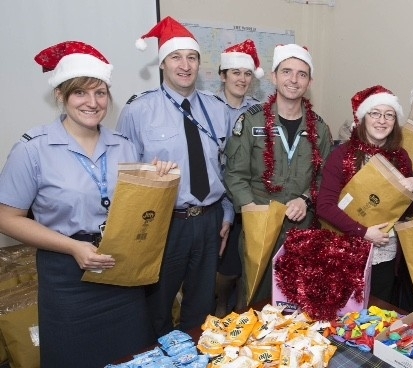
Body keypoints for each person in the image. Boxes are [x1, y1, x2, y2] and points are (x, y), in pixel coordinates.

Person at [0, 41, 175, 367]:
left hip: (121, 269)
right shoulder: (33, 149)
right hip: (67, 276)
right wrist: (72, 248)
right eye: (81, 93)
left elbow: (136, 211)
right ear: (61, 96)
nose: (92, 103)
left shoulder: (123, 146)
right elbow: (7, 218)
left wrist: (158, 181)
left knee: (133, 357)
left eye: (100, 93)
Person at [117, 16, 232, 336]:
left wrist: (226, 213)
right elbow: (123, 173)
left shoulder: (217, 109)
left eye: (192, 57)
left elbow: (224, 169)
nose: (185, 65)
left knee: (201, 307)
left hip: (209, 221)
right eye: (176, 57)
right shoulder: (138, 111)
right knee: (157, 305)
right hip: (163, 221)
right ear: (163, 63)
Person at [224, 44, 333, 304]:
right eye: (286, 72)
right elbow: (235, 174)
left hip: (302, 229)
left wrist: (306, 199)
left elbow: (324, 178)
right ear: (274, 77)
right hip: (259, 226)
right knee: (254, 301)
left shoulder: (320, 128)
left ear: (309, 82)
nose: (293, 80)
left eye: (301, 74)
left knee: (297, 302)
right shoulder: (251, 121)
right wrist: (253, 214)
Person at [316, 85, 413, 303]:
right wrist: (363, 231)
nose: (382, 121)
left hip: (384, 252)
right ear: (363, 117)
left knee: (378, 312)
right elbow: (324, 206)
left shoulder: (401, 157)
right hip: (344, 250)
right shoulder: (342, 155)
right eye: (375, 113)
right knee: (342, 312)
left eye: (389, 115)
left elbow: (407, 209)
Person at [214, 39, 263, 317]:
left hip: (248, 199)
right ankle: (220, 302)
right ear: (223, 75)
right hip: (220, 199)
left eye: (247, 74)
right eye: (235, 73)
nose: (242, 79)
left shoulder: (257, 111)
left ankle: (241, 308)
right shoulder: (206, 108)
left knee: (245, 262)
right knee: (224, 266)